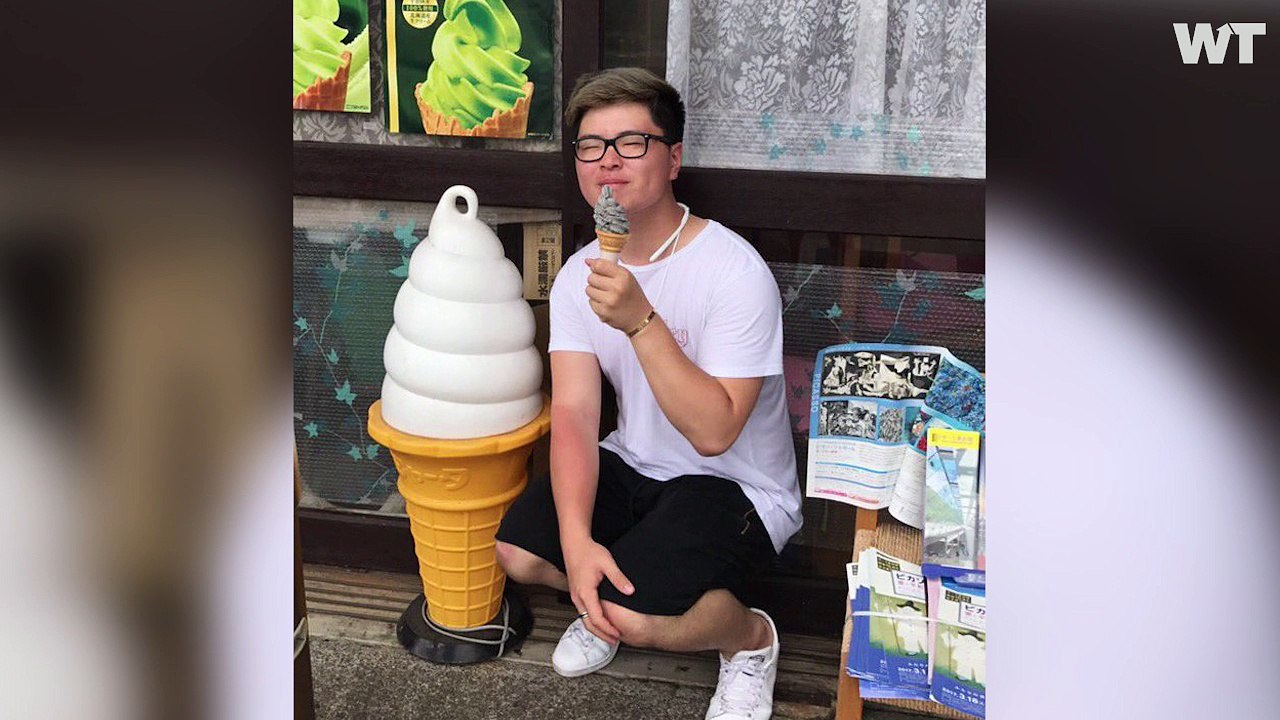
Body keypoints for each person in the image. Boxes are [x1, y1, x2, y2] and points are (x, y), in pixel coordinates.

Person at [495, 67, 802, 720]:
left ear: (673, 159)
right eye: (590, 145)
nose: (608, 160)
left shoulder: (734, 271)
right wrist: (576, 547)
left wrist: (640, 321)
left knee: (634, 617)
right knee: (517, 553)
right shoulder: (582, 271)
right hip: (634, 462)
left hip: (730, 483)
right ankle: (600, 599)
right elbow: (576, 414)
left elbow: (715, 430)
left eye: (631, 142)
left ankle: (750, 640)